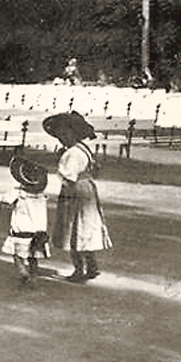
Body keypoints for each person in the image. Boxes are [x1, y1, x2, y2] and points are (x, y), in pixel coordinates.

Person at [46, 112, 112, 283]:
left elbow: (68, 178)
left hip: (75, 193)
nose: (62, 139)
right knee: (85, 229)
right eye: (60, 136)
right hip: (87, 190)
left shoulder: (72, 154)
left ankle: (79, 269)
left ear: (74, 133)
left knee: (73, 229)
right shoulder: (83, 148)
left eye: (65, 135)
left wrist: (64, 198)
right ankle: (92, 266)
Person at [0, 158, 51, 286]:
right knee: (33, 257)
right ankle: (33, 277)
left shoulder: (18, 193)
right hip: (38, 233)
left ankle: (24, 274)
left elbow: (2, 198)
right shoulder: (42, 196)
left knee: (17, 256)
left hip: (21, 233)